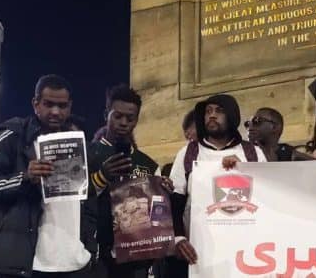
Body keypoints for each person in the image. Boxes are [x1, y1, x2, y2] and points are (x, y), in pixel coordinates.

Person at [0, 75, 97, 278]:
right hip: (29, 264)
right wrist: (24, 177)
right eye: (48, 104)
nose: (56, 112)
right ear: (35, 104)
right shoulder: (13, 136)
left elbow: (88, 197)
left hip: (75, 262)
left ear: (70, 106)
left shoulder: (78, 141)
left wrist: (90, 249)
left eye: (62, 106)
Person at [166, 95, 268, 276]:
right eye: (208, 111)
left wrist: (243, 170)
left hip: (244, 249)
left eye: (219, 111)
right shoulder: (190, 151)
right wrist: (179, 238)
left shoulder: (251, 152)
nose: (212, 116)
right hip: (198, 251)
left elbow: (268, 197)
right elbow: (175, 200)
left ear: (232, 116)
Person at [88, 86, 162, 278]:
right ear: (106, 114)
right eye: (117, 116)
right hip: (94, 256)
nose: (123, 123)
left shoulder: (149, 165)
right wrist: (102, 176)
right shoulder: (89, 154)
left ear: (137, 120)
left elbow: (157, 217)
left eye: (130, 119)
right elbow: (76, 200)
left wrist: (163, 194)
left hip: (135, 259)